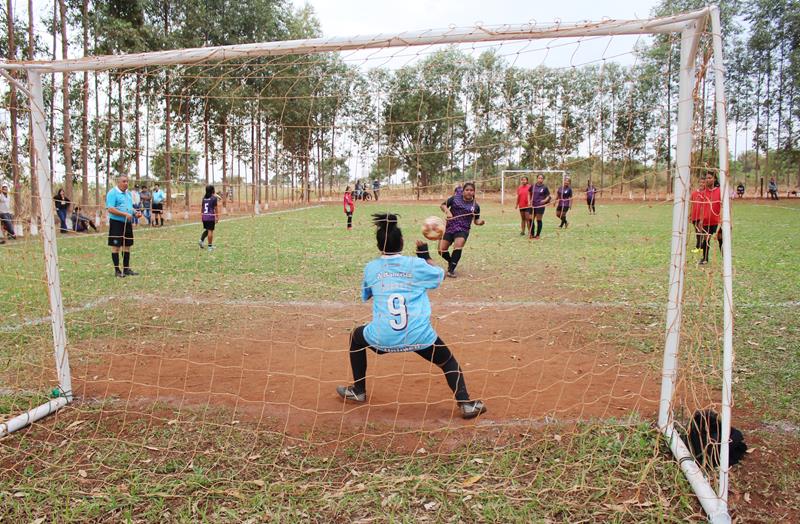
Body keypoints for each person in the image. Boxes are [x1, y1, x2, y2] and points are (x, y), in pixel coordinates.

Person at [335, 213, 487, 419]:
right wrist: (424, 256)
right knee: (448, 362)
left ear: (379, 245)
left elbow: (367, 294)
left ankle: (358, 390)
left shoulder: (371, 268)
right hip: (419, 336)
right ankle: (465, 403)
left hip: (382, 338)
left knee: (356, 337)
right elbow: (439, 275)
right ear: (402, 242)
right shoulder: (415, 265)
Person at [438, 181, 484, 278]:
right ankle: (452, 261)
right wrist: (448, 212)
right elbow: (443, 205)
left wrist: (480, 222)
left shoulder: (475, 206)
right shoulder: (455, 199)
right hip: (449, 227)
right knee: (441, 250)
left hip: (463, 228)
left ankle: (451, 270)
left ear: (474, 192)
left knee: (458, 246)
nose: (469, 192)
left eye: (471, 190)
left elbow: (476, 220)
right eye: (467, 190)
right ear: (463, 191)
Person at [106, 174, 141, 277]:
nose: (126, 183)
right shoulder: (112, 193)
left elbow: (129, 207)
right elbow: (110, 209)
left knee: (127, 246)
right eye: (124, 181)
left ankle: (126, 269)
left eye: (127, 181)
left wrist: (135, 213)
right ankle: (117, 271)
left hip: (127, 223)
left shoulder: (128, 194)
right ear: (118, 182)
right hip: (116, 223)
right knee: (116, 246)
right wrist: (124, 214)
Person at [697, 172, 722, 266]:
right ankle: (705, 259)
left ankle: (725, 259)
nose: (708, 180)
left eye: (710, 178)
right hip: (707, 221)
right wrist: (701, 220)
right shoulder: (704, 192)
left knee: (721, 239)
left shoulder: (720, 191)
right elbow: (702, 207)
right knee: (706, 240)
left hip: (718, 221)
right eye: (707, 178)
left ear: (714, 179)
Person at [528, 174, 552, 239]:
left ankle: (538, 235)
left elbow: (548, 196)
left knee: (538, 220)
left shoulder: (545, 187)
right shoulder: (533, 186)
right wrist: (529, 201)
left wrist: (544, 200)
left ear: (543, 179)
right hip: (532, 205)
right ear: (537, 178)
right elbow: (529, 193)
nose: (540, 179)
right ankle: (532, 234)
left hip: (540, 206)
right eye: (539, 178)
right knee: (530, 219)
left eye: (541, 178)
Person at [198, 184, 219, 251]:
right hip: (210, 217)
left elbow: (202, 208)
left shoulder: (204, 198)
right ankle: (210, 247)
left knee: (207, 230)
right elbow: (216, 208)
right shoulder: (214, 198)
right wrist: (217, 216)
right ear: (213, 190)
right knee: (210, 231)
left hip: (204, 216)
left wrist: (202, 216)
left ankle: (201, 240)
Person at [689, 183, 704, 254]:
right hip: (694, 216)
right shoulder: (694, 193)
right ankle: (700, 247)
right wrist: (690, 214)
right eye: (701, 182)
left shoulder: (706, 193)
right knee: (697, 231)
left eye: (704, 182)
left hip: (701, 216)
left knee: (699, 231)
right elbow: (691, 204)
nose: (702, 184)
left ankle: (699, 247)